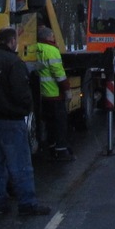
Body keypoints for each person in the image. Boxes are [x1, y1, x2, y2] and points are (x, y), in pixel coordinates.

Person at [0, 27, 51, 216]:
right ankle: (27, 203)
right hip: (11, 120)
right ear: (11, 42)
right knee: (21, 165)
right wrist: (26, 108)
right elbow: (21, 94)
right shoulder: (14, 63)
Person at [35, 25, 74, 161]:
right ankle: (61, 151)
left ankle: (51, 148)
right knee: (60, 124)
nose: (53, 38)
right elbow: (59, 74)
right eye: (52, 36)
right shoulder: (51, 50)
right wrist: (67, 90)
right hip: (54, 95)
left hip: (43, 95)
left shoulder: (35, 48)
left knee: (50, 124)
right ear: (47, 37)